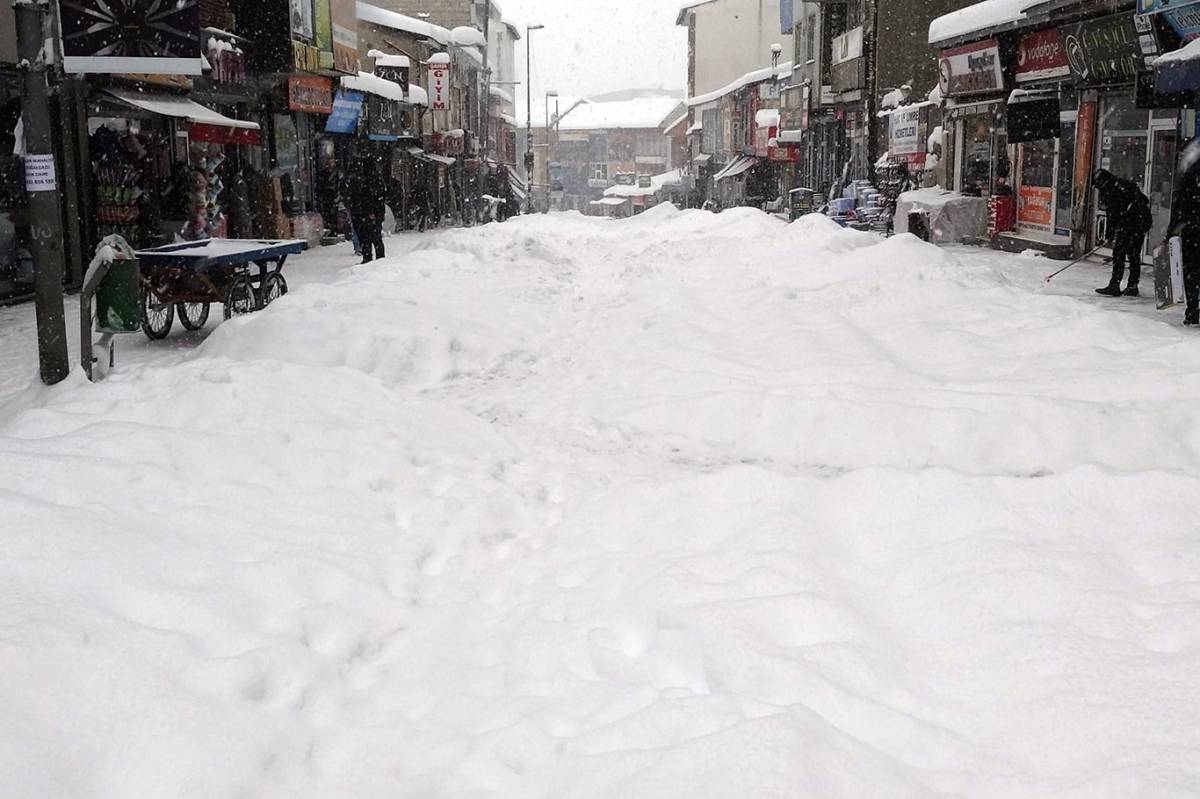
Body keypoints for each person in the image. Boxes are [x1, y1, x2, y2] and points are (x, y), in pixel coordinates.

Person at [1093, 168, 1153, 297]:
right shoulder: (1123, 184)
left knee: (1120, 253)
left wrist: (1109, 235)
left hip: (1134, 223)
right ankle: (1132, 286)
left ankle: (1115, 285)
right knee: (1133, 254)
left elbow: (1113, 214)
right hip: (1140, 222)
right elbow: (1143, 200)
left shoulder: (1112, 190)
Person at [1169, 140, 1200, 325]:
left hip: (1193, 231)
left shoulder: (1190, 176)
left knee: (1192, 272)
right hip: (1193, 229)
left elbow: (1181, 206)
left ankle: (1193, 310)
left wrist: (1172, 231)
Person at [349, 158, 386, 264]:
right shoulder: (376, 180)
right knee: (375, 237)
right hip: (373, 212)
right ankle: (378, 257)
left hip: (369, 213)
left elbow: (370, 198)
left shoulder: (369, 180)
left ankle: (369, 257)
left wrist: (371, 212)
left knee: (368, 237)